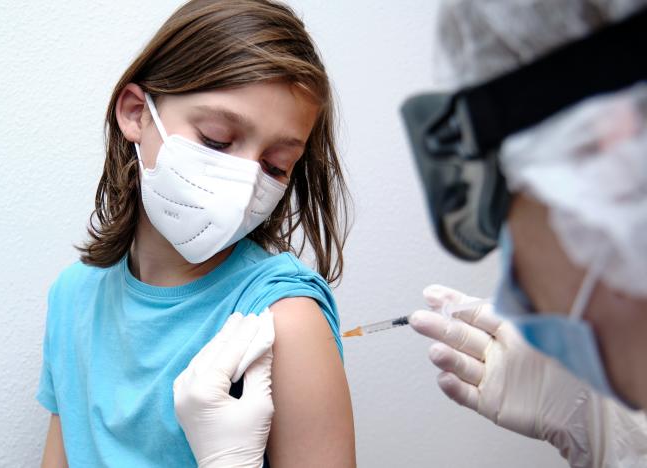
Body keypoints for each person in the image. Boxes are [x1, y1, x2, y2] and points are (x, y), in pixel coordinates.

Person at [174, 1, 647, 467]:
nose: (519, 296)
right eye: (216, 141)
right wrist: (613, 434)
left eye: (277, 166)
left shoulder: (290, 313)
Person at [35, 1, 356, 467]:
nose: (246, 184)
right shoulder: (73, 298)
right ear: (135, 114)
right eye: (217, 139)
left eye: (275, 165)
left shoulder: (282, 321)